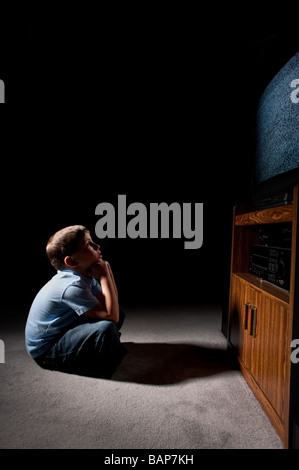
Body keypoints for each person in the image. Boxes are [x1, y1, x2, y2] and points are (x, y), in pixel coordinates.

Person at [25, 225, 126, 378]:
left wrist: (108, 271)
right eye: (89, 245)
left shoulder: (83, 276)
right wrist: (104, 276)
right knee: (106, 328)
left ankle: (104, 346)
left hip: (65, 329)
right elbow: (112, 317)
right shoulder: (71, 286)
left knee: (117, 311)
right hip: (47, 350)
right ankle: (94, 359)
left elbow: (111, 307)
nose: (97, 246)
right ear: (71, 261)